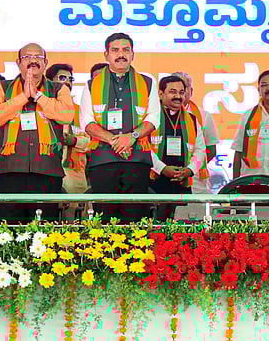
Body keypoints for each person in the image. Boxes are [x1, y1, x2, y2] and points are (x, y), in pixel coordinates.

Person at [0, 44, 75, 220]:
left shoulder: (58, 88)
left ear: (45, 63)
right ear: (18, 62)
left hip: (47, 170)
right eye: (27, 57)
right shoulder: (4, 88)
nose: (33, 60)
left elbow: (66, 115)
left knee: (44, 231)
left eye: (38, 57)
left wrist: (38, 96)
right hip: (11, 170)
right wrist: (23, 97)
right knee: (10, 230)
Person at [80, 33, 160, 223]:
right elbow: (86, 122)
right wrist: (113, 140)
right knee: (105, 219)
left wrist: (131, 136)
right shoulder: (91, 85)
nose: (121, 54)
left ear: (133, 54)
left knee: (135, 219)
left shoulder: (148, 83)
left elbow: (154, 118)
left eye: (126, 50)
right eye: (115, 50)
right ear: (106, 54)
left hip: (137, 160)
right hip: (103, 161)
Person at [149, 76, 206, 221]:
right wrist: (162, 168)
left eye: (181, 92)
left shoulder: (192, 120)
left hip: (182, 181)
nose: (178, 96)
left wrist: (190, 170)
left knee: (181, 229)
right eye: (173, 92)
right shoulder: (150, 118)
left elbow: (200, 150)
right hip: (154, 181)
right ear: (161, 94)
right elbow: (144, 148)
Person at [46, 63, 91, 218]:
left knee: (76, 228)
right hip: (47, 171)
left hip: (75, 176)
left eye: (71, 79)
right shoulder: (42, 109)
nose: (68, 82)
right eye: (62, 78)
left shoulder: (81, 111)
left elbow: (91, 142)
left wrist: (73, 141)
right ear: (49, 81)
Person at [172, 71, 218, 194]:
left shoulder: (203, 116)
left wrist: (191, 167)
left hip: (196, 179)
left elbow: (210, 150)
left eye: (183, 87)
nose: (179, 92)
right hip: (166, 176)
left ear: (190, 91)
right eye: (174, 88)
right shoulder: (157, 115)